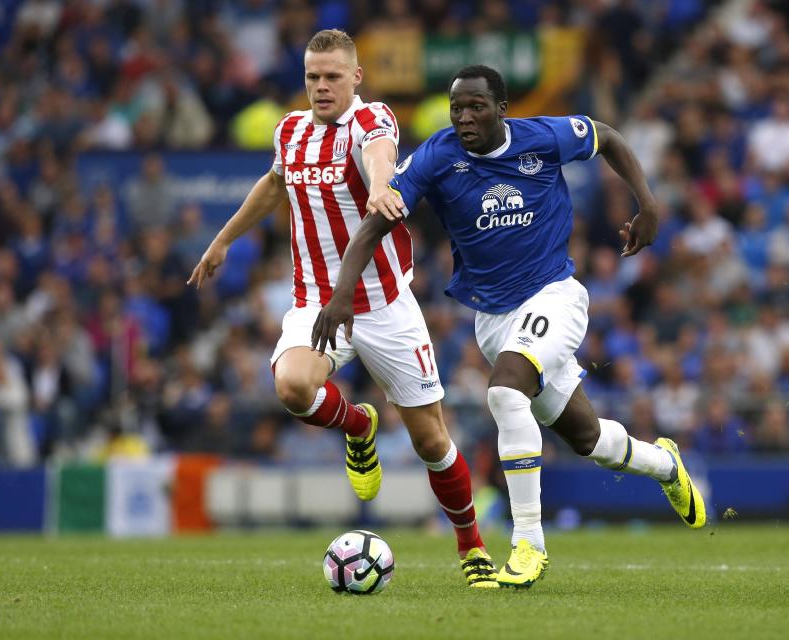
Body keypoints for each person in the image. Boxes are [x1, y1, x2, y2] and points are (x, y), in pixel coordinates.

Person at [312, 65, 706, 589]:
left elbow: (608, 137)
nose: (465, 118)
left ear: (502, 108)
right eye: (457, 108)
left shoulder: (543, 137)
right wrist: (341, 295)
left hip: (554, 295)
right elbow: (375, 222)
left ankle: (528, 544)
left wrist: (648, 203)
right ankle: (666, 466)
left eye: (476, 107)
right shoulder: (436, 156)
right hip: (493, 318)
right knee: (589, 440)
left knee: (504, 392)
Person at [187, 31, 496, 588]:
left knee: (431, 440)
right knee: (291, 387)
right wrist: (223, 239)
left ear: (355, 77)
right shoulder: (290, 131)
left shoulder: (371, 119)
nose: (321, 87)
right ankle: (359, 425)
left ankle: (471, 544)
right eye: (312, 77)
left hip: (385, 305)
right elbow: (274, 183)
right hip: (316, 302)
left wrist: (381, 187)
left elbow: (380, 157)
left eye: (332, 76)